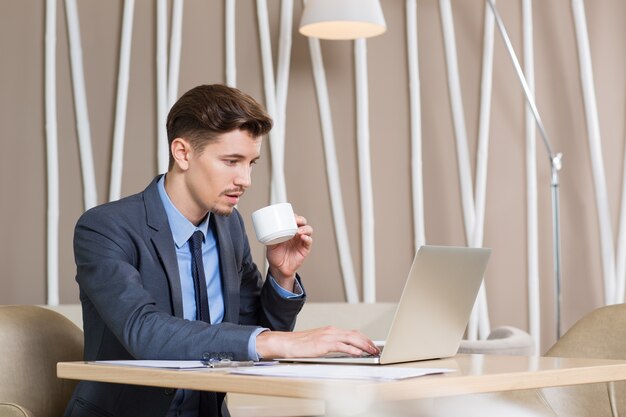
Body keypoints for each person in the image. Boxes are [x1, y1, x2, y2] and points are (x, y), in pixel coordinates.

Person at [64, 84, 379, 417]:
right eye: (232, 161)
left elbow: (250, 332)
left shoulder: (229, 227)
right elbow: (143, 330)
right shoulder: (104, 227)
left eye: (251, 163)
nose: (245, 179)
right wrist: (274, 342)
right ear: (182, 153)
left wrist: (281, 275)